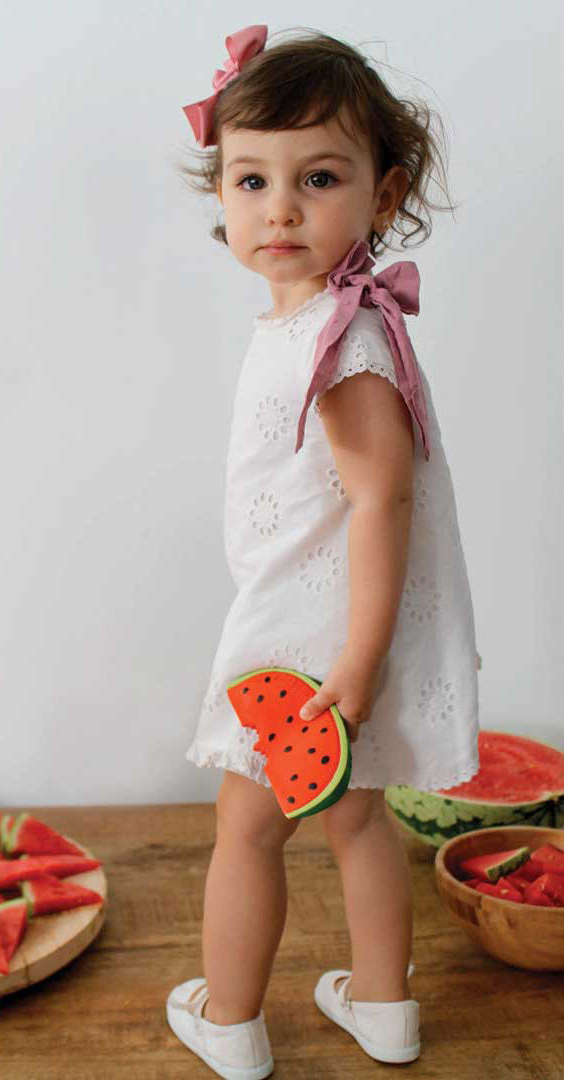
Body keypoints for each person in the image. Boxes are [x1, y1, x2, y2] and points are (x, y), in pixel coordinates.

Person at [167, 24, 482, 1079]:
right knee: (356, 821)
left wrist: (354, 664)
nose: (281, 207)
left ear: (384, 198)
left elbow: (383, 501)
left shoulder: (344, 340)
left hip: (311, 642)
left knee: (247, 830)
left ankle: (229, 1020)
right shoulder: (318, 327)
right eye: (252, 178)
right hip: (331, 632)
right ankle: (385, 1010)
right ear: (221, 192)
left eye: (320, 177)